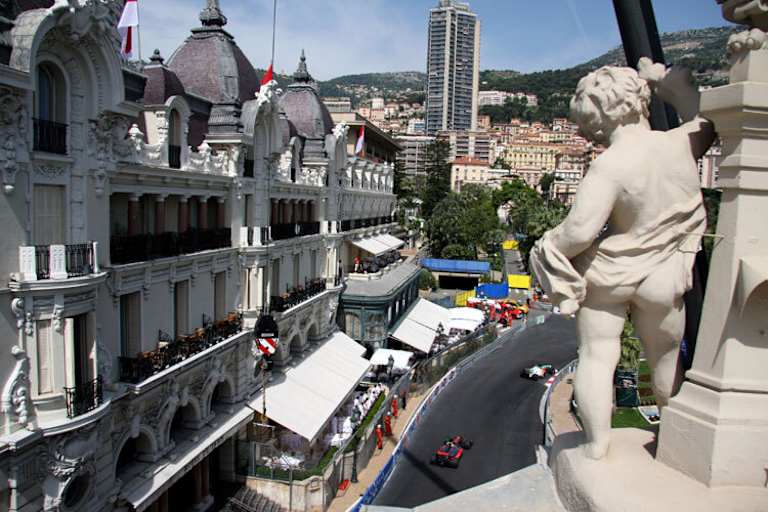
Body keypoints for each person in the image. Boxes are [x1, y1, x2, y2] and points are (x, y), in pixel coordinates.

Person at [529, 59, 715, 460]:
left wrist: (547, 247)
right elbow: (706, 119)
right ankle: (675, 443)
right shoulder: (680, 143)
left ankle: (597, 446)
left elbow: (578, 233)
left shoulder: (609, 165)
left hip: (609, 273)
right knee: (666, 361)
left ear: (596, 121)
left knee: (597, 357)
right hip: (665, 273)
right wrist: (672, 86)